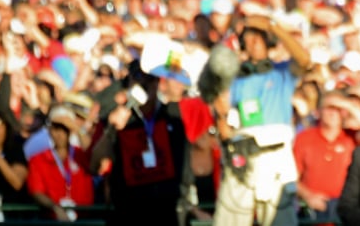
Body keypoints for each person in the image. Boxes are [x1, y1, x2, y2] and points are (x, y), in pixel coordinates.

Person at [213, 15, 312, 226]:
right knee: (230, 218)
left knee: (280, 219)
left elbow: (304, 60)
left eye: (259, 38)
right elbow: (225, 123)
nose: (254, 43)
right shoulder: (236, 78)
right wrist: (222, 117)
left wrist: (273, 27)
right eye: (249, 39)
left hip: (275, 154)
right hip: (243, 152)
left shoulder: (282, 72)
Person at [90, 64, 195, 226]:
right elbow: (94, 164)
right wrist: (111, 130)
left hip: (166, 212)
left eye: (150, 79)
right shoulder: (119, 117)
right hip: (130, 212)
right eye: (138, 78)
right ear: (129, 84)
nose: (145, 84)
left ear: (157, 82)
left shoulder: (171, 116)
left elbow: (185, 168)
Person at [293, 91, 360, 224]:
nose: (333, 113)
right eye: (329, 107)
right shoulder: (304, 138)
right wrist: (308, 196)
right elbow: (291, 178)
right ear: (319, 111)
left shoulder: (351, 136)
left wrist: (348, 106)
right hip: (314, 208)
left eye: (338, 109)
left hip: (345, 208)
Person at [26, 106, 95, 222]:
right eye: (56, 128)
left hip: (84, 219)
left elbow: (92, 151)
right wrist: (55, 208)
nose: (60, 134)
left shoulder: (81, 156)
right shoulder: (38, 159)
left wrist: (75, 127)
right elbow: (37, 191)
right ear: (50, 130)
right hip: (53, 220)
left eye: (65, 129)